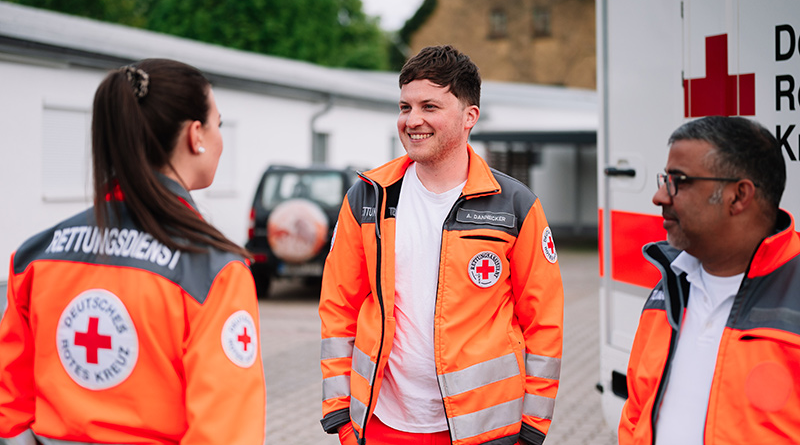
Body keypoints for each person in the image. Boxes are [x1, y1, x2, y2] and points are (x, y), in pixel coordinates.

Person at [0, 59, 266, 445]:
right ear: (196, 135)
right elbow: (225, 434)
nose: (220, 137)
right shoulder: (213, 270)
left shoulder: (36, 257)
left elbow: (10, 411)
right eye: (218, 124)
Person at [319, 45, 563, 445]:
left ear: (469, 117)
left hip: (483, 430)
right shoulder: (368, 198)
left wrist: (532, 428)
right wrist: (342, 416)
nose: (412, 120)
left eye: (429, 106)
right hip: (382, 424)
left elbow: (544, 321)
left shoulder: (514, 205)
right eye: (405, 107)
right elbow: (338, 307)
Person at [619, 116, 800, 444]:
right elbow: (636, 409)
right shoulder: (670, 283)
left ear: (738, 196)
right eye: (665, 179)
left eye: (679, 181)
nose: (660, 196)